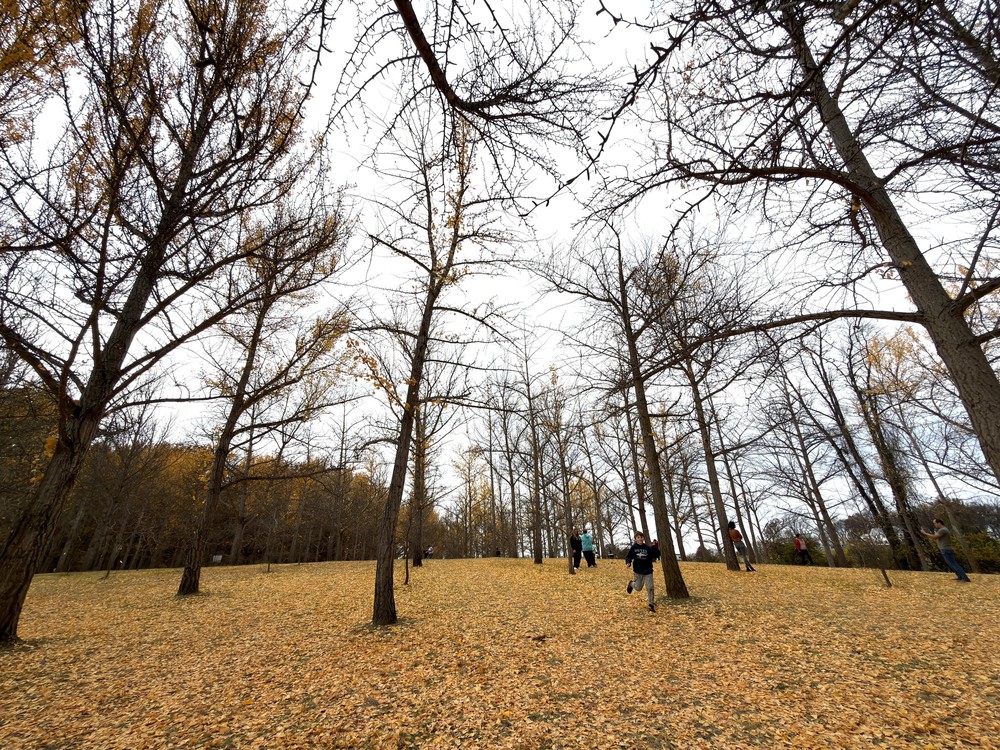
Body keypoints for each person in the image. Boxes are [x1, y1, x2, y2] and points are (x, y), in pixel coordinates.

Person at [624, 531, 661, 612]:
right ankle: (631, 584)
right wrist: (628, 563)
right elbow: (628, 557)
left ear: (643, 538)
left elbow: (656, 555)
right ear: (635, 539)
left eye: (641, 537)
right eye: (638, 537)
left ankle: (651, 604)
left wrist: (655, 547)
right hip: (638, 571)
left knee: (650, 587)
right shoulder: (634, 548)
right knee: (638, 588)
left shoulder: (648, 548)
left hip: (648, 571)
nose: (640, 539)